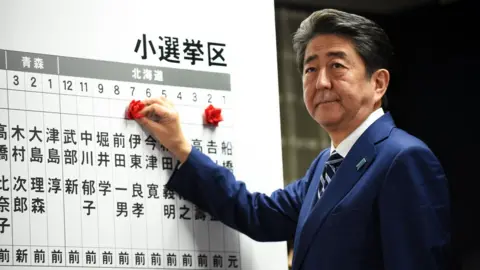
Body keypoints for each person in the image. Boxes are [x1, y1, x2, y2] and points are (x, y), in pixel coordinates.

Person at [134, 8, 451, 270]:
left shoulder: (402, 157)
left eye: (336, 66)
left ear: (378, 83)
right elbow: (258, 215)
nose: (321, 82)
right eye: (310, 69)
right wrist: (182, 148)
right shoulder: (326, 166)